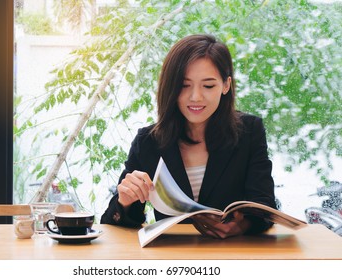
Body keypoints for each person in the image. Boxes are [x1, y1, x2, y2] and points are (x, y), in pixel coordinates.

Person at [101, 34, 276, 238]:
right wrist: (125, 200)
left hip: (234, 256)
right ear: (171, 86)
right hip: (173, 259)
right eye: (184, 85)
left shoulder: (249, 131)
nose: (195, 97)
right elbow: (114, 225)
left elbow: (265, 207)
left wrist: (243, 225)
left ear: (226, 85)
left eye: (208, 86)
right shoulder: (148, 141)